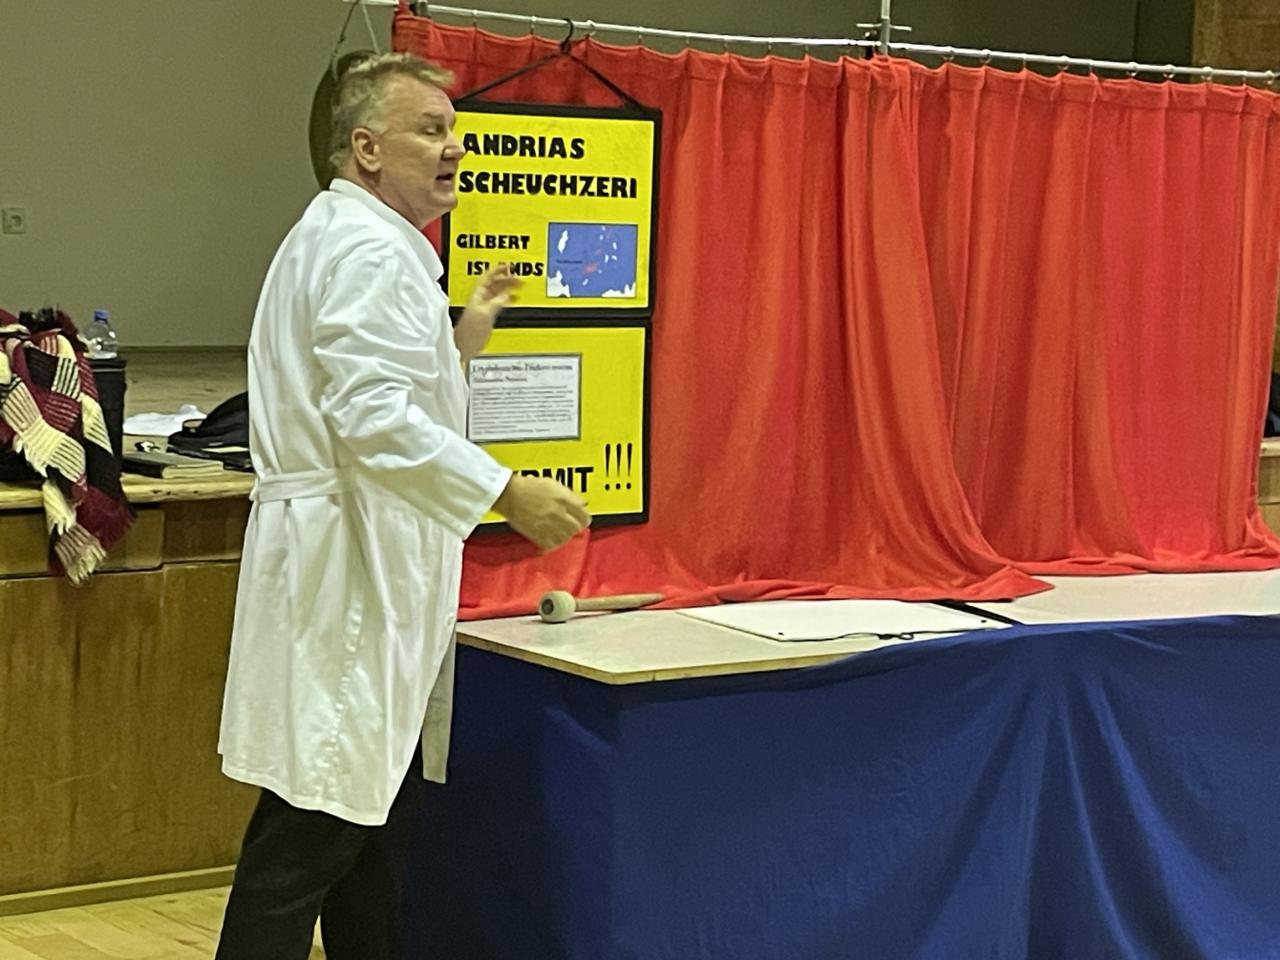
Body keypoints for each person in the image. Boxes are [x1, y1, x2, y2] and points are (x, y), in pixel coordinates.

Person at [214, 52, 590, 960]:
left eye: (454, 131)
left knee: (373, 831)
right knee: (312, 835)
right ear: (367, 148)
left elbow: (382, 389)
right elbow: (370, 416)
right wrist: (504, 491)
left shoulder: (348, 237)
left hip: (351, 556)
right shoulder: (371, 250)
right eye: (430, 130)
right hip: (351, 567)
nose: (455, 148)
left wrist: (466, 332)